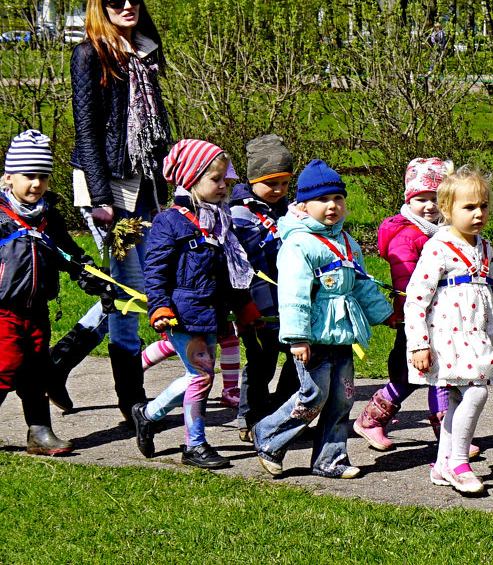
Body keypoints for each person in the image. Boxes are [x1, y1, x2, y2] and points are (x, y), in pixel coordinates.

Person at [48, 0, 173, 423]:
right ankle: (133, 403)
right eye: (115, 1)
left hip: (145, 184)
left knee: (135, 285)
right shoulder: (90, 55)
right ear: (99, 7)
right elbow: (87, 132)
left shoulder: (143, 55)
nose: (127, 7)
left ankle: (58, 363)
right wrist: (101, 199)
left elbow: (154, 127)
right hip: (109, 187)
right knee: (130, 291)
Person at [404, 169, 493, 495]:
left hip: (477, 334)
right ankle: (459, 463)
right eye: (469, 207)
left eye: (483, 205)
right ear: (446, 209)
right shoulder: (438, 248)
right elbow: (415, 301)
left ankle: (443, 465)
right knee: (476, 392)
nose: (479, 213)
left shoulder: (484, 247)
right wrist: (418, 345)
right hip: (447, 338)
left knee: (459, 397)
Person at [253, 160, 397, 479]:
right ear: (303, 205)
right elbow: (293, 294)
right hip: (314, 340)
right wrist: (297, 337)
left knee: (342, 399)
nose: (332, 206)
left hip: (341, 337)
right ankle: (268, 437)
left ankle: (330, 459)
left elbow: (362, 284)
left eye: (338, 199)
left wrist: (385, 315)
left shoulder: (347, 243)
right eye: (322, 200)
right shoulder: (299, 244)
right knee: (313, 397)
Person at [131, 140, 262, 469]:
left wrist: (244, 307)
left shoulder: (221, 221)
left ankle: (147, 414)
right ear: (190, 179)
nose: (223, 185)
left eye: (225, 180)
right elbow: (155, 271)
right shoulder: (170, 222)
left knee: (198, 376)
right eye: (215, 179)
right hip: (182, 314)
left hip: (212, 311)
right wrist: (159, 307)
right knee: (201, 377)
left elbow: (229, 272)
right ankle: (195, 445)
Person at [0, 130, 111, 455]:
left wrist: (94, 280)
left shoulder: (50, 217)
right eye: (29, 176)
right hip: (4, 311)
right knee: (6, 367)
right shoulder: (3, 217)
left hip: (38, 310)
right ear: (9, 178)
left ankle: (40, 433)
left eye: (43, 177)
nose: (36, 184)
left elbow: (71, 255)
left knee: (37, 371)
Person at [354, 157, 467, 453]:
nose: (429, 206)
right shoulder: (406, 235)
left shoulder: (443, 233)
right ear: (409, 199)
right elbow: (404, 278)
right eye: (421, 199)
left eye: (435, 199)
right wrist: (407, 308)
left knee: (440, 375)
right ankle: (371, 421)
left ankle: (446, 436)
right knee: (414, 376)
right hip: (416, 316)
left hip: (443, 317)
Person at [229, 134, 298, 438]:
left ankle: (283, 411)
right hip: (257, 302)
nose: (279, 190)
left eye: (284, 183)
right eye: (272, 183)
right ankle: (251, 417)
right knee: (261, 363)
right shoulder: (238, 214)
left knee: (298, 358)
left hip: (290, 300)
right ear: (254, 179)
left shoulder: (288, 211)